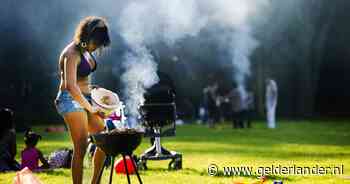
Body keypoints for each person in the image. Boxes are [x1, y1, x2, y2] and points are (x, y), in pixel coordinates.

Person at [54, 16, 111, 184]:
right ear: (87, 37)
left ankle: (95, 183)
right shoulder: (71, 54)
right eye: (96, 43)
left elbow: (83, 80)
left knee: (104, 140)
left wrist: (94, 92)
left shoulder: (86, 51)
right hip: (69, 99)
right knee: (81, 146)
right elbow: (71, 86)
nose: (97, 48)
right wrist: (91, 108)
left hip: (85, 97)